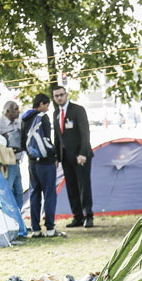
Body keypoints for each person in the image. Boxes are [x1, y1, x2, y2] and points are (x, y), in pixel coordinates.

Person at [51, 84, 94, 227]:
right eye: (56, 96)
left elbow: (85, 133)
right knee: (71, 187)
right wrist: (56, 156)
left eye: (61, 95)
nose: (59, 98)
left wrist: (83, 153)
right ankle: (77, 216)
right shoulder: (56, 113)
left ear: (66, 94)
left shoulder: (78, 110)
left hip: (80, 156)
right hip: (65, 157)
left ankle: (88, 215)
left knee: (84, 186)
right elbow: (57, 137)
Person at [21, 94, 57, 237]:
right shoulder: (43, 118)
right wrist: (53, 155)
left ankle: (35, 228)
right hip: (46, 162)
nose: (47, 109)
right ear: (41, 104)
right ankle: (49, 228)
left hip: (31, 162)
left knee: (34, 194)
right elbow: (47, 139)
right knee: (49, 194)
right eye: (47, 105)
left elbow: (23, 142)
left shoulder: (24, 119)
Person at [0, 100, 25, 224]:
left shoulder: (18, 124)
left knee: (19, 192)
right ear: (7, 111)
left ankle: (17, 220)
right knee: (8, 191)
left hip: (16, 162)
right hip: (6, 164)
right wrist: (4, 151)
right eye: (15, 109)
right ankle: (8, 220)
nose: (18, 112)